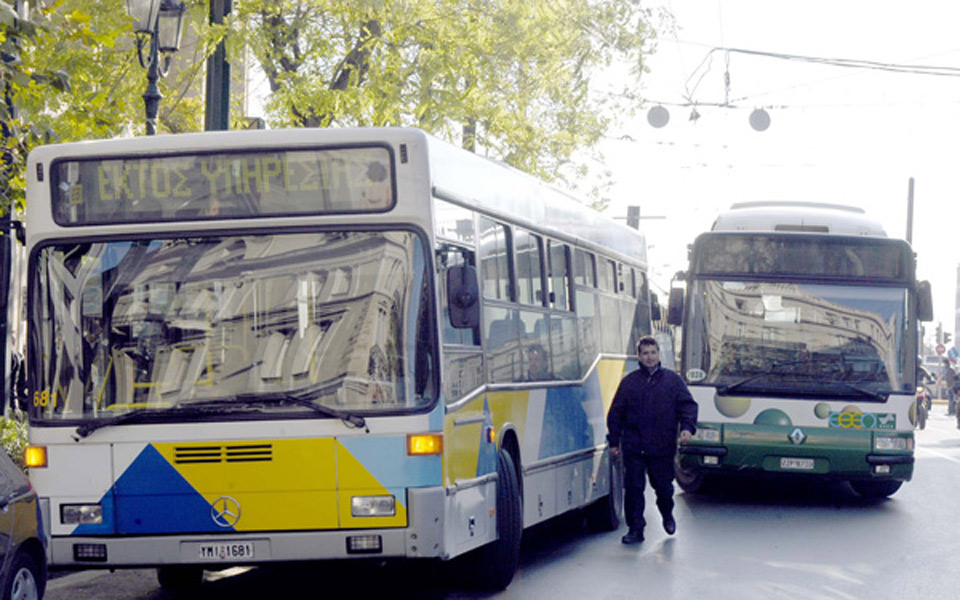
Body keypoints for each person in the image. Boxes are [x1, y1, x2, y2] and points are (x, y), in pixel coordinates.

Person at [607, 335, 698, 544]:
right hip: (634, 447)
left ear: (659, 355)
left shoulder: (673, 381)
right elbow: (615, 414)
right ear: (639, 356)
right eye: (645, 353)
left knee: (664, 488)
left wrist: (687, 429)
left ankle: (667, 514)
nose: (650, 357)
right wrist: (614, 442)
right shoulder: (629, 383)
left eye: (653, 352)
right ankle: (636, 529)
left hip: (662, 447)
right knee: (633, 489)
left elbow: (688, 406)